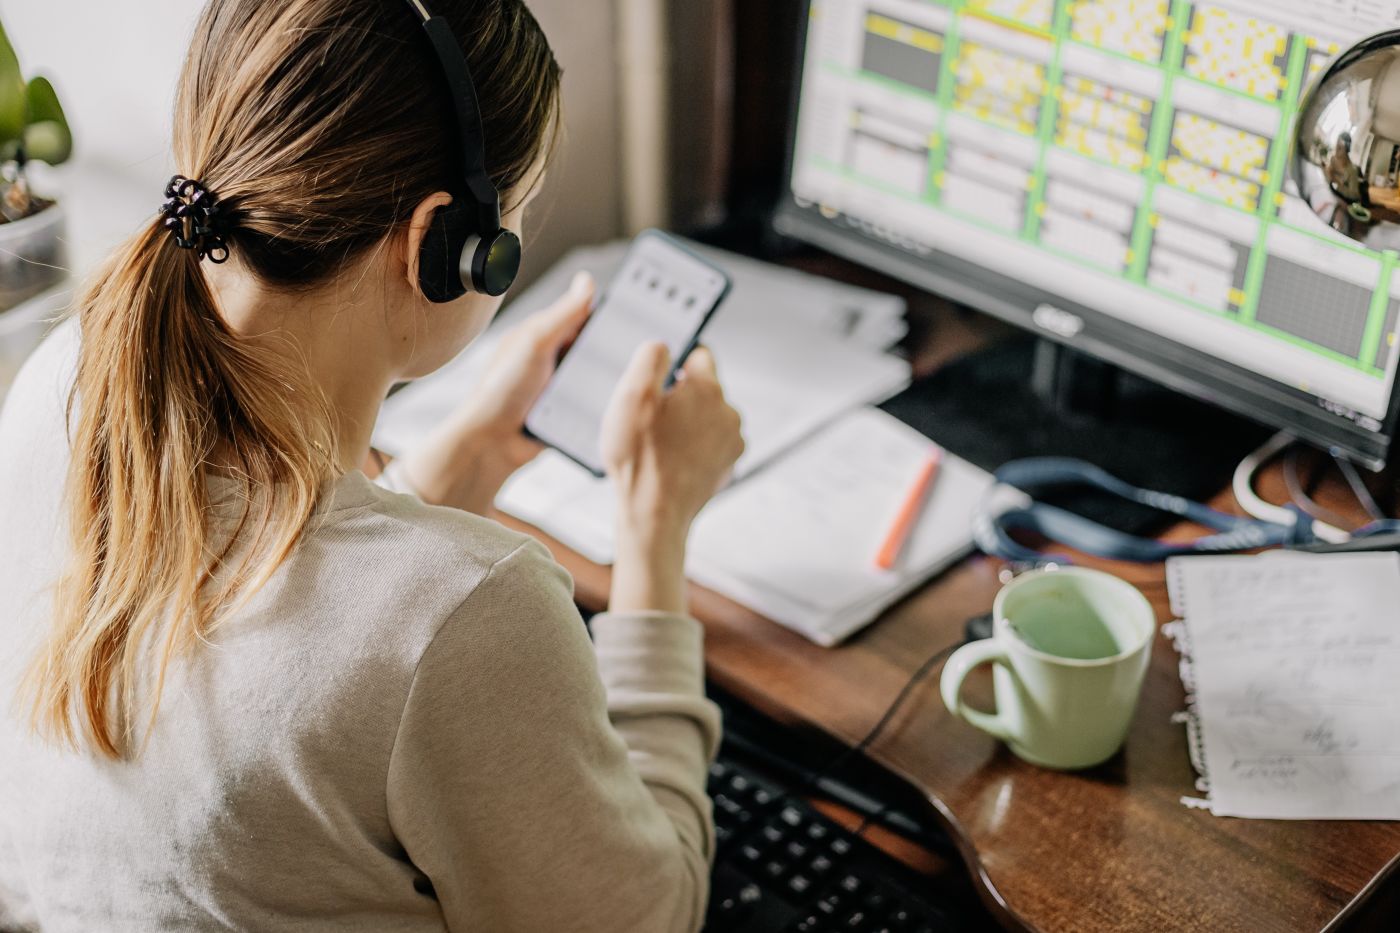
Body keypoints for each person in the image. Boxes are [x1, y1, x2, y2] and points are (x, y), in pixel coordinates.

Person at [0, 1, 743, 931]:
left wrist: (470, 450)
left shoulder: (65, 382)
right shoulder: (472, 614)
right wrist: (655, 528)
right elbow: (641, 916)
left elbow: (290, 623)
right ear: (443, 242)